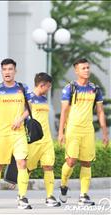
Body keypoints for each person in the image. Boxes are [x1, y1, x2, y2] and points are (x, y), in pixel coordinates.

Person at [58, 58, 109, 206]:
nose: (86, 70)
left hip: (88, 130)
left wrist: (105, 133)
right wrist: (61, 132)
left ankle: (83, 195)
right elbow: (63, 111)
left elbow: (100, 112)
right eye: (83, 68)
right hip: (73, 129)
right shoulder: (70, 88)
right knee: (71, 161)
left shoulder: (95, 89)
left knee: (86, 163)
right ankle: (63, 184)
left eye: (87, 67)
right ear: (76, 71)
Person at [0, 58, 32, 209]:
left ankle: (22, 197)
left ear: (15, 71)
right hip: (2, 134)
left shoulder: (23, 88)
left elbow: (30, 108)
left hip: (19, 133)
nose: (7, 72)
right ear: (1, 71)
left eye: (10, 69)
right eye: (5, 69)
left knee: (22, 163)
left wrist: (20, 119)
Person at [27, 73, 60, 207]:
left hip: (46, 140)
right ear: (42, 85)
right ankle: (21, 195)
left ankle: (50, 196)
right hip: (33, 140)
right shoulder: (28, 98)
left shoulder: (44, 99)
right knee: (27, 169)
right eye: (48, 86)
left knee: (48, 166)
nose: (49, 89)